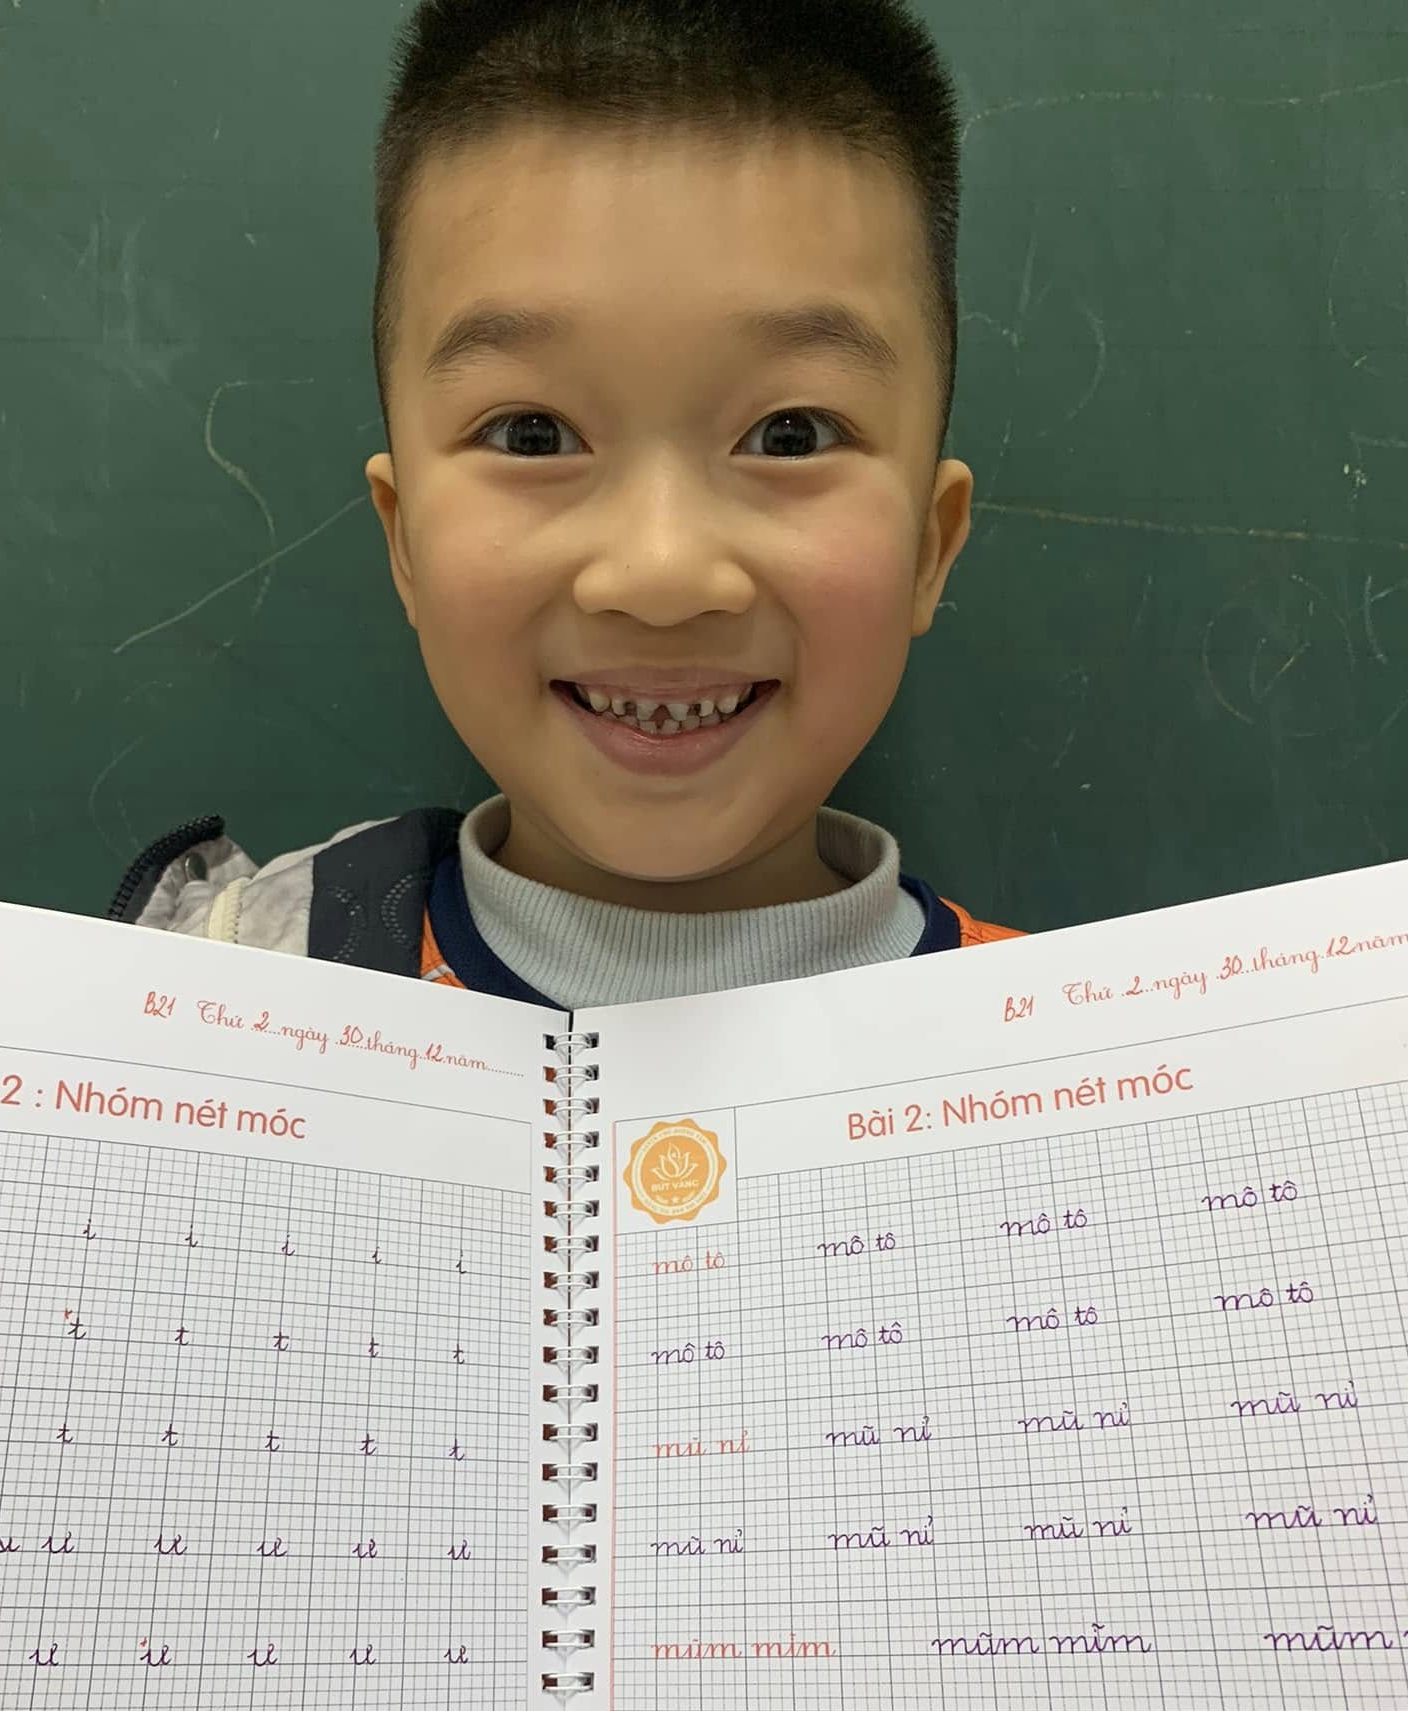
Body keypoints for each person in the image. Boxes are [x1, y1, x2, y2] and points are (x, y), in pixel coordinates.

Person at [108, 0, 1020, 1007]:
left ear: (929, 547)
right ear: (404, 539)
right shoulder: (216, 994)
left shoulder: (1085, 1050)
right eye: (532, 435)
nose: (661, 573)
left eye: (791, 435)